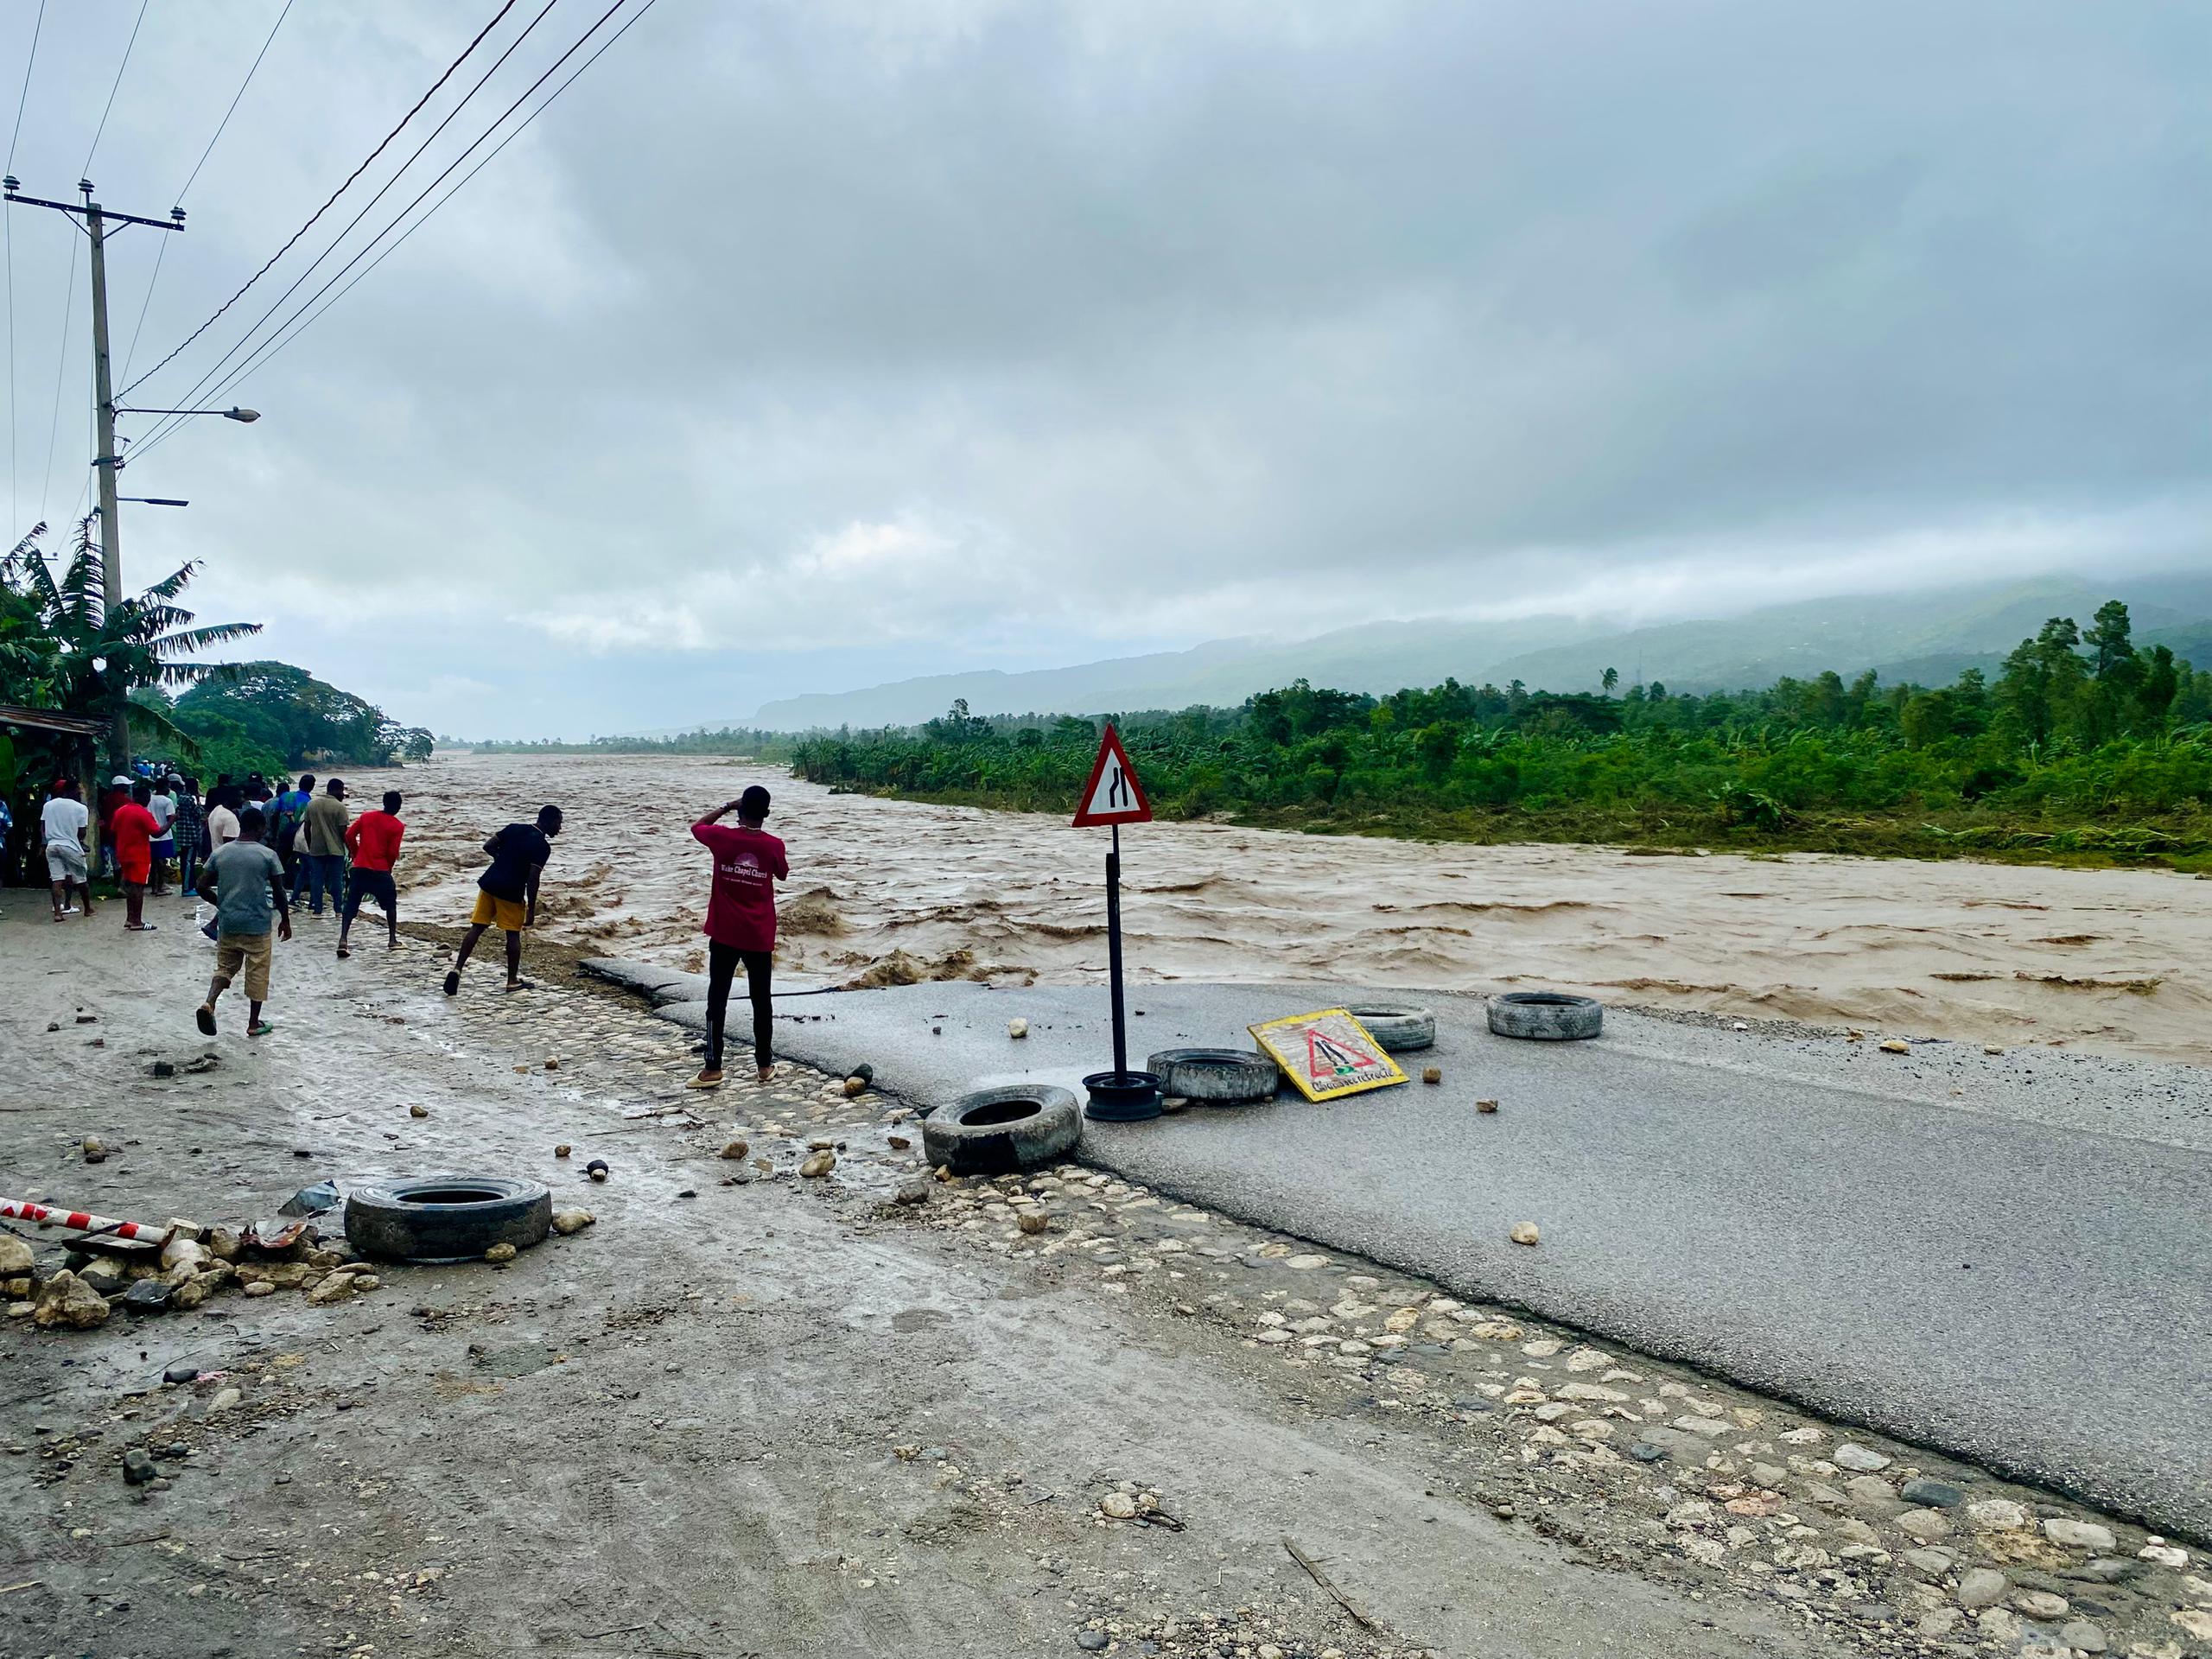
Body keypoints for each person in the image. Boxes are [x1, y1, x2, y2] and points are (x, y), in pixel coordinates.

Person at [686, 785, 788, 1090]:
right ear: (767, 814)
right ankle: (764, 1065)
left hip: (724, 933)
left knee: (717, 999)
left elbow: (697, 827)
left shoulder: (722, 838)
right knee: (761, 1001)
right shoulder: (774, 845)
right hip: (758, 935)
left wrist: (727, 805)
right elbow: (782, 873)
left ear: (741, 810)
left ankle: (713, 1068)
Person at [444, 804, 561, 996]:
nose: (560, 828)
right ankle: (512, 981)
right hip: (511, 890)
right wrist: (531, 908)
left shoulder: (514, 828)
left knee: (477, 928)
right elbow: (533, 879)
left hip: (490, 883)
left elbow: (488, 846)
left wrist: (503, 860)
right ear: (548, 821)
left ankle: (457, 968)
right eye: (558, 823)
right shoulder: (542, 846)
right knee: (513, 935)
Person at [194, 804, 290, 1038]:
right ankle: (253, 1023)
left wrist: (221, 904)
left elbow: (201, 886)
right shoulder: (267, 855)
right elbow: (279, 891)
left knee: (225, 967)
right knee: (257, 971)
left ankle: (209, 1002)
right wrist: (285, 920)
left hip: (228, 923)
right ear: (259, 827)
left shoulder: (221, 853)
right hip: (257, 924)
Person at [338, 789, 406, 958]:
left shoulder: (367, 816)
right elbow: (392, 852)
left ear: (384, 803)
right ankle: (392, 939)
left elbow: (349, 835)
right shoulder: (397, 826)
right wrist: (388, 868)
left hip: (360, 867)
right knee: (390, 904)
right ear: (398, 806)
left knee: (352, 903)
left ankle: (343, 939)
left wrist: (356, 853)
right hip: (380, 869)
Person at [41, 778, 93, 921]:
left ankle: (58, 912)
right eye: (79, 788)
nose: (81, 792)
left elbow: (43, 828)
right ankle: (88, 909)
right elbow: (82, 833)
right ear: (73, 789)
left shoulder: (48, 805)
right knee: (81, 878)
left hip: (52, 845)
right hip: (70, 845)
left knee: (57, 879)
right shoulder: (81, 808)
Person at [111, 780, 161, 931]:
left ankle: (129, 918)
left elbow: (113, 829)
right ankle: (137, 921)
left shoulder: (121, 811)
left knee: (131, 885)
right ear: (144, 797)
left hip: (123, 852)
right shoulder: (143, 813)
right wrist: (172, 820)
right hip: (139, 854)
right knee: (138, 887)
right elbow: (156, 832)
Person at [299, 777, 350, 916]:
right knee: (336, 879)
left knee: (317, 879)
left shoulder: (312, 804)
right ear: (338, 789)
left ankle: (317, 910)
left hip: (317, 847)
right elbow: (343, 832)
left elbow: (306, 828)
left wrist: (310, 845)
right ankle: (338, 910)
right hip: (336, 849)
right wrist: (349, 849)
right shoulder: (340, 807)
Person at [275, 772, 313, 898]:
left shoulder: (285, 796)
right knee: (295, 862)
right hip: (297, 836)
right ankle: (292, 887)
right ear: (312, 787)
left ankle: (279, 887)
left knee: (280, 861)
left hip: (282, 833)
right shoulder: (309, 803)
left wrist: (274, 833)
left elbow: (275, 814)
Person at [145, 776, 177, 896]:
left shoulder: (149, 799)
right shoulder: (167, 801)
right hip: (164, 835)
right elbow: (170, 818)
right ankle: (160, 886)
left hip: (150, 835)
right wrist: (176, 817)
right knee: (161, 862)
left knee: (153, 863)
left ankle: (154, 886)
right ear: (164, 787)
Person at [172, 777, 204, 895]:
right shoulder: (190, 799)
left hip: (184, 835)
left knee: (186, 861)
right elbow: (199, 813)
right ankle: (187, 888)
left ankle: (189, 886)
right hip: (190, 836)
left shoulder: (181, 798)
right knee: (188, 862)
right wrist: (198, 799)